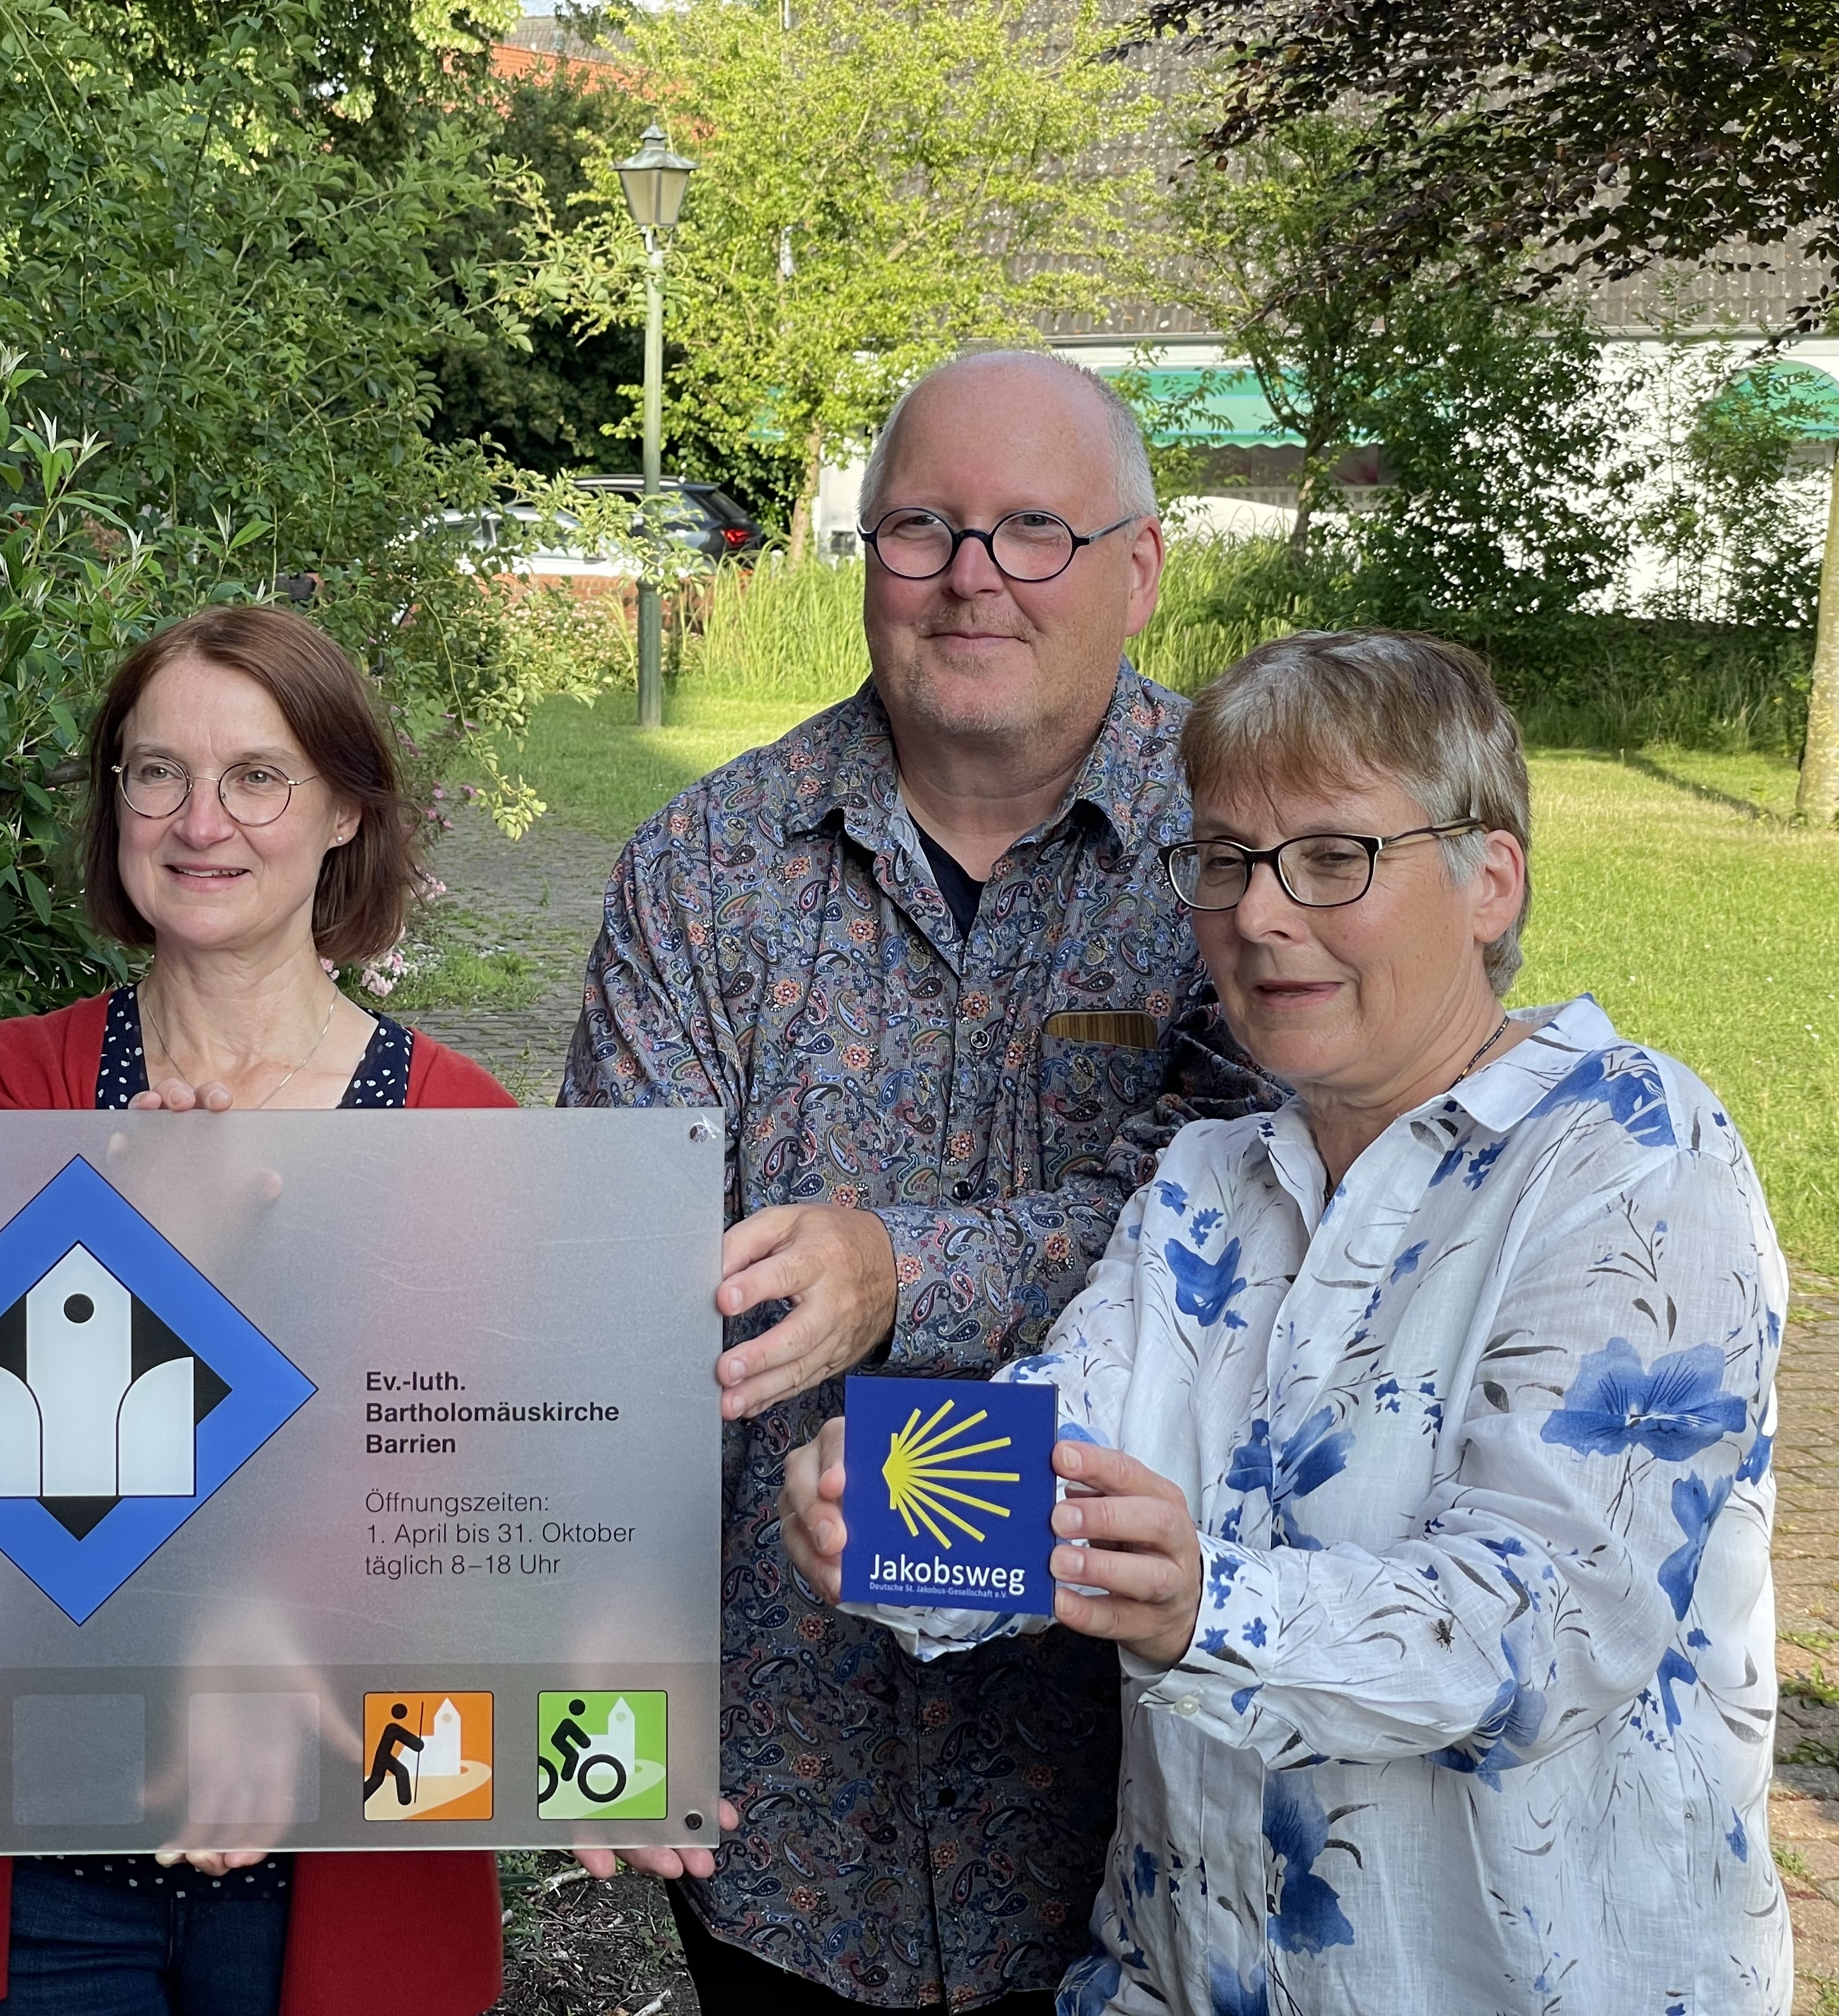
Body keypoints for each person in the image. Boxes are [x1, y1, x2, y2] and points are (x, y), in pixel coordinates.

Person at [778, 631, 1789, 2013]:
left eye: (1334, 857)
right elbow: (1053, 1464)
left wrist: (1204, 1603)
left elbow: (1548, 1630)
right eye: (1225, 859)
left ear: (1491, 880)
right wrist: (887, 1517)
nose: (1258, 914)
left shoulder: (1627, 1151)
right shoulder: (1213, 1178)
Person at [561, 350, 1272, 2012]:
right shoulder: (703, 867)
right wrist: (568, 1671)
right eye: (921, 527)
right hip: (785, 1797)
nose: (972, 577)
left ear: (1141, 567)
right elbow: (609, 1295)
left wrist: (901, 1272)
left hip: (1136, 1795)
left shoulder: (1248, 859)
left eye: (1036, 529)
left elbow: (1244, 1221)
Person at [0, 603, 508, 2016]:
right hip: (33, 1871)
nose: (199, 820)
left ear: (347, 809)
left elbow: (460, 1528)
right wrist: (158, 1260)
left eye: (258, 777)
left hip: (353, 1856)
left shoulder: (462, 1127)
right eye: (155, 772)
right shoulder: (4, 1095)